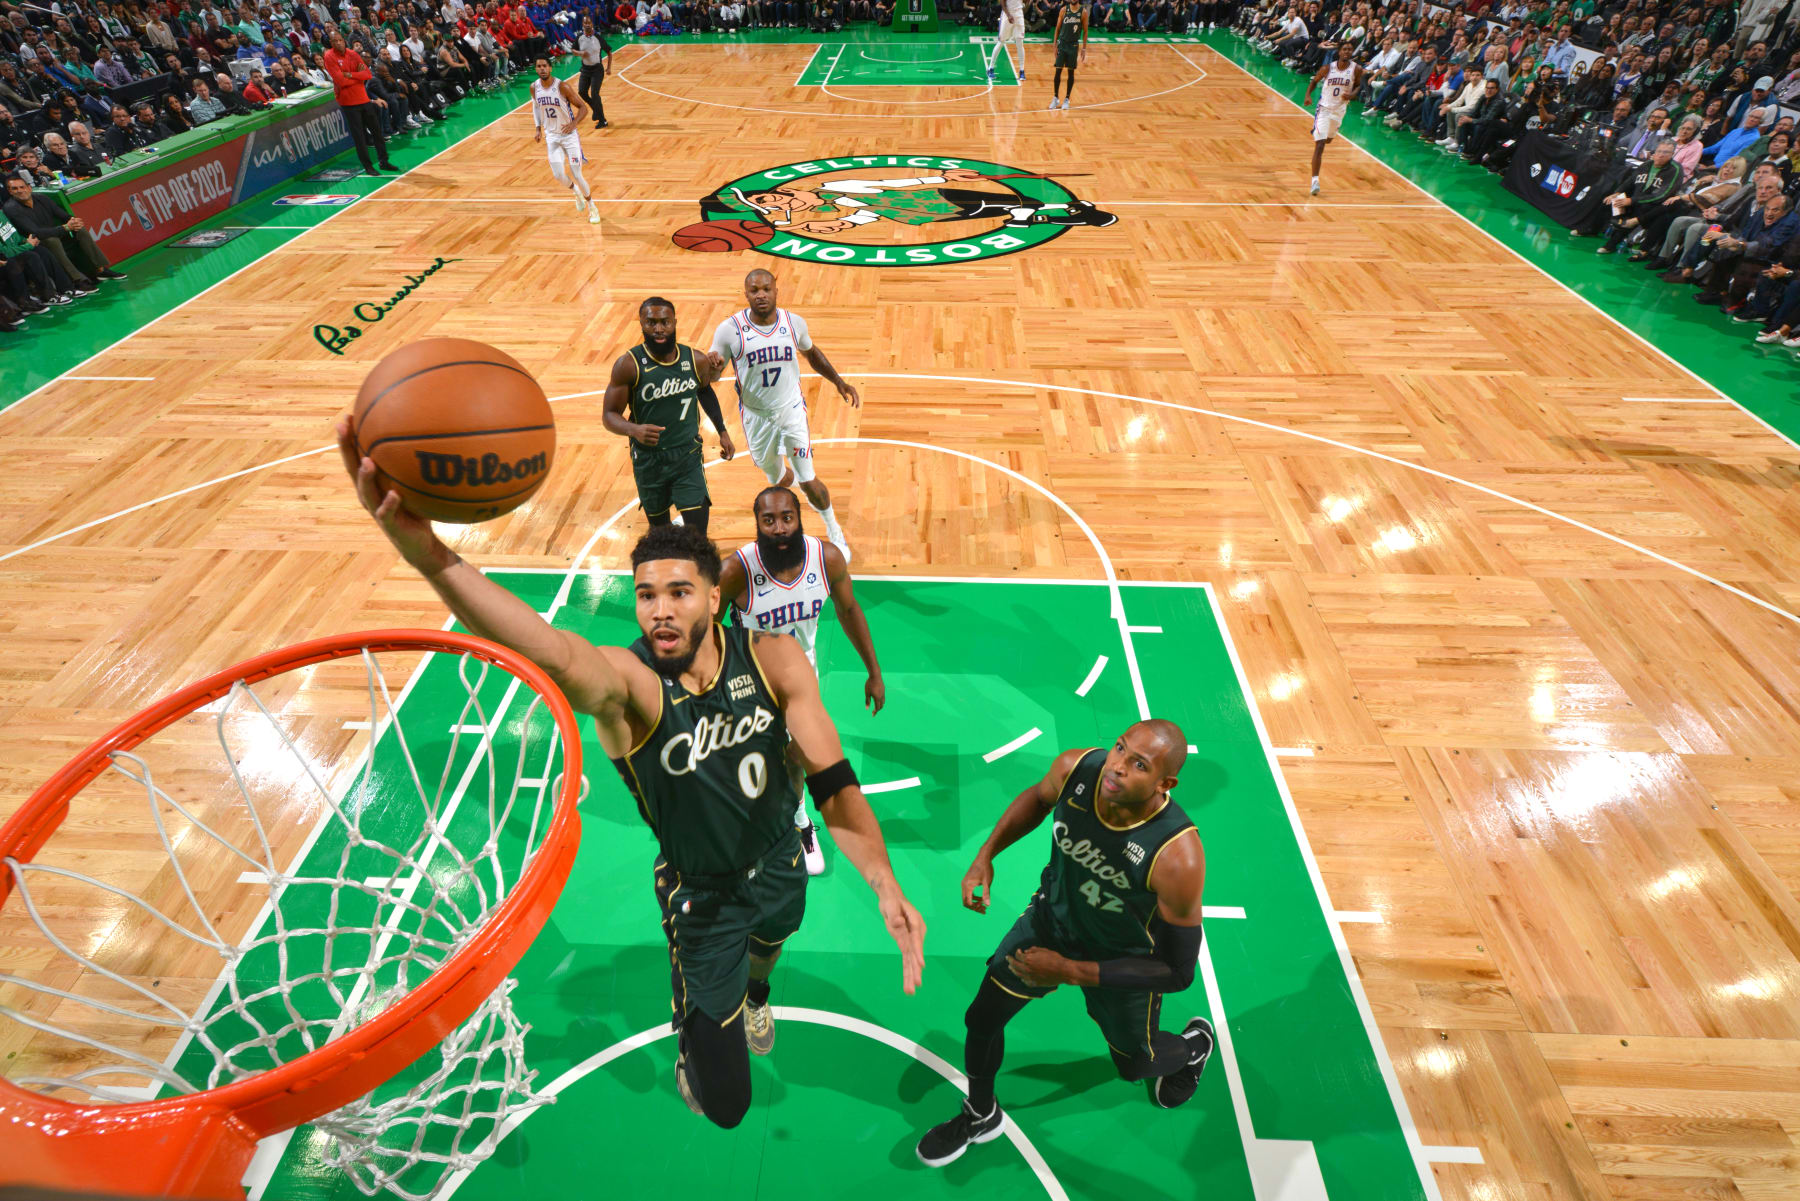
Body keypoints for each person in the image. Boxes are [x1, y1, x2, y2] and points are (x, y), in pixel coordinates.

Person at [334, 432, 925, 1130]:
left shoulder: (775, 658)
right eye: (647, 595)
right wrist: (429, 555)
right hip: (702, 895)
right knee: (727, 1105)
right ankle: (691, 1042)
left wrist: (885, 881)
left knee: (779, 928)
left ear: (715, 593)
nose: (661, 610)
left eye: (679, 591)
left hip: (778, 858)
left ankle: (757, 988)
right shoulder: (630, 684)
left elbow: (836, 785)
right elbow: (549, 648)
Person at [915, 721, 1216, 1168]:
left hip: (1122, 960)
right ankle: (981, 1113)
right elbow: (1037, 799)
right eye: (1120, 748)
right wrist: (986, 855)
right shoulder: (1076, 768)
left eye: (1139, 764)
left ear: (1164, 784)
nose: (1117, 766)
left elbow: (1177, 970)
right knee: (982, 1019)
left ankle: (1194, 1046)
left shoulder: (1177, 855)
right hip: (1050, 923)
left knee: (1134, 1066)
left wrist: (1070, 971)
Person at [718, 484, 884, 877]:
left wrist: (873, 672)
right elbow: (706, 631)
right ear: (757, 523)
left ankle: (799, 823)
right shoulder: (736, 571)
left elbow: (848, 608)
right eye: (768, 520)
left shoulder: (825, 559)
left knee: (795, 758)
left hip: (800, 679)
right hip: (748, 680)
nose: (778, 528)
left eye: (786, 518)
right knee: (750, 761)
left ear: (799, 518)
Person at [710, 268, 858, 561]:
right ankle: (786, 475)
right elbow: (714, 378)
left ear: (777, 290)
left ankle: (834, 531)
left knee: (808, 478)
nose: (761, 295)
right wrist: (712, 366)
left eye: (766, 289)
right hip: (756, 418)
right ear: (746, 294)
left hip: (791, 412)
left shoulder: (794, 323)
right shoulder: (729, 330)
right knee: (775, 476)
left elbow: (812, 353)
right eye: (754, 290)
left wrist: (839, 381)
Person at [604, 297, 736, 536]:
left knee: (697, 536)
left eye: (665, 322)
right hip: (649, 460)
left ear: (675, 322)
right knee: (661, 534)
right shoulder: (628, 365)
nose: (658, 329)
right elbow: (609, 415)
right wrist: (633, 430)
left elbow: (705, 392)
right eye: (651, 323)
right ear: (641, 324)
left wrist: (722, 431)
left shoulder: (694, 360)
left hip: (687, 456)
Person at [2, 175, 124, 290]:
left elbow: (63, 215)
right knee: (52, 240)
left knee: (80, 230)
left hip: (55, 232)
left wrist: (73, 221)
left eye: (22, 187)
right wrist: (65, 228)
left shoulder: (41, 198)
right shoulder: (11, 208)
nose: (20, 190)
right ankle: (77, 280)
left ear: (29, 188)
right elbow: (36, 232)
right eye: (15, 188)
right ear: (10, 192)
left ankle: (100, 269)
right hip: (36, 242)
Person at [529, 56, 597, 223]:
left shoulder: (562, 86)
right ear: (536, 69)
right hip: (552, 136)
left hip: (569, 137)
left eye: (545, 65)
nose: (542, 69)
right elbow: (536, 107)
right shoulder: (534, 87)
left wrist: (574, 123)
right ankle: (576, 193)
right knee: (558, 175)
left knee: (577, 174)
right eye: (539, 66)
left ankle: (592, 207)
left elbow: (583, 108)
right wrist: (538, 128)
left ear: (550, 68)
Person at [323, 29, 395, 176]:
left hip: (363, 98)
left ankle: (384, 161)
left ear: (343, 40)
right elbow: (340, 81)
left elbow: (367, 74)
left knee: (377, 132)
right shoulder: (329, 57)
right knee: (360, 137)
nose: (338, 43)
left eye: (340, 40)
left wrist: (349, 74)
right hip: (348, 102)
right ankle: (368, 166)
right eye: (335, 41)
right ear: (331, 43)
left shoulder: (352, 54)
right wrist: (356, 77)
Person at [1302, 41, 1362, 195]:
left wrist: (1353, 95)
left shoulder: (1357, 69)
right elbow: (1314, 81)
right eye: (1344, 49)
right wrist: (1308, 95)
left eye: (1350, 49)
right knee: (1320, 144)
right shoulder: (1327, 68)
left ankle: (1321, 132)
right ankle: (1315, 181)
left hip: (1339, 110)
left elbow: (1359, 86)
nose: (1347, 52)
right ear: (1339, 52)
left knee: (1328, 140)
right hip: (1324, 109)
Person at [575, 15, 612, 127]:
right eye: (585, 23)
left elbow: (609, 53)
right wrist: (579, 53)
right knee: (582, 92)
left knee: (595, 94)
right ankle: (596, 110)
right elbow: (573, 49)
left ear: (592, 24)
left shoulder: (598, 37)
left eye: (589, 23)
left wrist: (609, 68)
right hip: (585, 70)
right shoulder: (579, 38)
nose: (587, 25)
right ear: (582, 24)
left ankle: (603, 120)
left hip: (597, 70)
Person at [1048, 0, 1085, 109]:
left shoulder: (1083, 12)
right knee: (1058, 71)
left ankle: (1067, 99)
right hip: (1062, 44)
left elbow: (1086, 31)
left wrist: (1084, 48)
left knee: (1071, 72)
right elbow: (1057, 29)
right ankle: (1055, 98)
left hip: (1073, 45)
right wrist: (1054, 45)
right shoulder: (1064, 10)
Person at [991, 0, 1025, 83]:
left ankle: (1022, 71)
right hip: (1007, 15)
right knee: (1001, 42)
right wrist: (1009, 15)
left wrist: (1021, 10)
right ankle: (990, 68)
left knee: (1020, 43)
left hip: (1019, 14)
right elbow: (1002, 3)